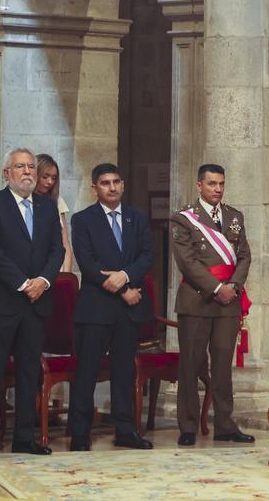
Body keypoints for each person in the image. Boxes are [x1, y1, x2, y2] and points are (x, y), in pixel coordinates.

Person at [0, 148, 64, 459]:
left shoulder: (47, 208)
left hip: (35, 303)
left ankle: (25, 437)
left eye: (30, 167)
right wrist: (24, 283)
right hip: (0, 301)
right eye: (20, 167)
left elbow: (57, 251)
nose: (27, 172)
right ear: (6, 173)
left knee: (28, 373)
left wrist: (44, 281)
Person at [67, 163, 153, 451]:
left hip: (128, 310)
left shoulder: (137, 218)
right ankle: (80, 433)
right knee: (87, 371)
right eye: (105, 183)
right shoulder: (82, 219)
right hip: (96, 307)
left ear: (123, 185)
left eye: (117, 181)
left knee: (124, 371)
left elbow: (146, 256)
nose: (112, 187)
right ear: (95, 188)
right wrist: (123, 288)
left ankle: (126, 431)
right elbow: (88, 263)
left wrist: (125, 277)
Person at [169, 164, 255, 446]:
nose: (217, 189)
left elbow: (244, 256)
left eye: (221, 184)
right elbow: (187, 262)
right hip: (197, 301)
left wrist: (233, 287)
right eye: (211, 184)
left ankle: (225, 425)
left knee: (222, 365)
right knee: (191, 365)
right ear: (199, 186)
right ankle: (189, 426)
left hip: (228, 303)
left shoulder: (234, 217)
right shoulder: (184, 218)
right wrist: (217, 288)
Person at [35, 154, 72, 273]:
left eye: (54, 177)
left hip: (56, 269)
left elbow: (65, 244)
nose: (50, 182)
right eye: (45, 177)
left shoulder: (57, 201)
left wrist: (66, 274)